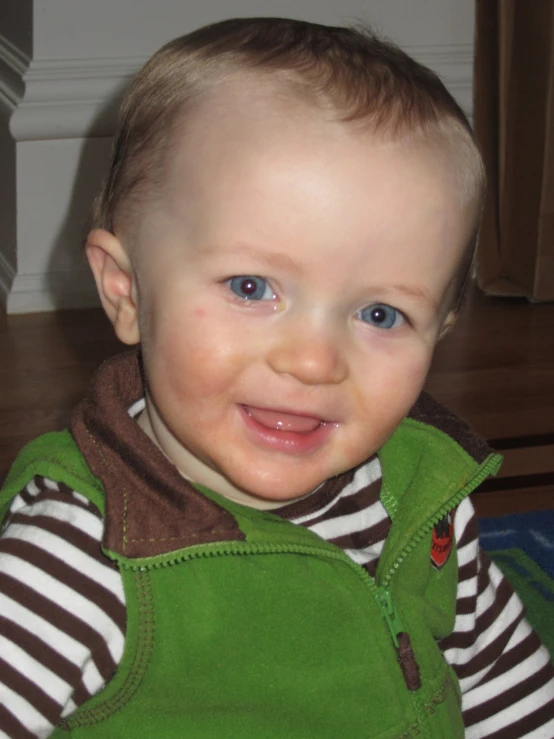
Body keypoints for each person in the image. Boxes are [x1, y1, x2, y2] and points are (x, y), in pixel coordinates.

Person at [0, 17, 553, 739]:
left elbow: (496, 672)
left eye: (381, 313)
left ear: (442, 328)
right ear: (127, 291)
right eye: (252, 288)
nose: (314, 361)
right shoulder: (78, 560)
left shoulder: (426, 494)